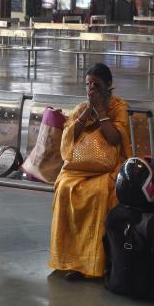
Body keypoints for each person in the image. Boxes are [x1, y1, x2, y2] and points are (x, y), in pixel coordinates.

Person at [49, 63, 132, 279]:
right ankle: (72, 260)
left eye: (96, 85)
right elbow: (69, 139)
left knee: (100, 192)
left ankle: (96, 262)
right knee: (65, 187)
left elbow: (115, 139)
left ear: (109, 85)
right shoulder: (81, 107)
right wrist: (87, 111)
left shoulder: (118, 107)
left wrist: (102, 112)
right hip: (79, 166)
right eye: (88, 84)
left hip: (108, 165)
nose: (91, 89)